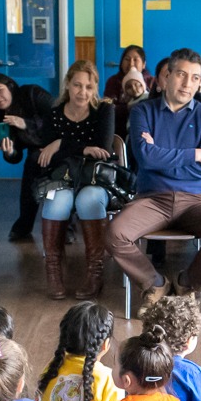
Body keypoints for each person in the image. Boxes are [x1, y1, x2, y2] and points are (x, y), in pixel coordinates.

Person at [111, 48, 201, 316]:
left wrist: (161, 156)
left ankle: (187, 284)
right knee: (115, 233)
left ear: (200, 83)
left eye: (195, 78)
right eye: (181, 74)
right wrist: (196, 154)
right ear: (166, 77)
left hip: (196, 201)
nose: (187, 83)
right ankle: (155, 284)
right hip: (152, 199)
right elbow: (146, 159)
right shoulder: (142, 112)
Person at [36, 60, 116, 300]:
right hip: (62, 178)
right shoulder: (53, 114)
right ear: (67, 85)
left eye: (89, 87)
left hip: (94, 178)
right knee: (56, 202)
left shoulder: (104, 110)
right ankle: (53, 271)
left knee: (88, 200)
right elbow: (46, 156)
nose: (83, 92)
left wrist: (62, 143)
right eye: (77, 85)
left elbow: (102, 150)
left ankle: (95, 274)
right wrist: (82, 148)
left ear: (95, 88)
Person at [0, 74, 55, 241]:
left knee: (38, 162)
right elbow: (16, 157)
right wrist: (9, 151)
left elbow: (59, 118)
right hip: (38, 151)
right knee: (34, 162)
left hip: (61, 142)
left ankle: (61, 226)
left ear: (10, 87)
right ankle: (27, 223)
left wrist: (26, 123)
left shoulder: (31, 93)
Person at [113, 66, 149, 139]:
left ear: (142, 85)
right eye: (129, 87)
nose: (134, 89)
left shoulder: (148, 99)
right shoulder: (128, 103)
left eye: (136, 84)